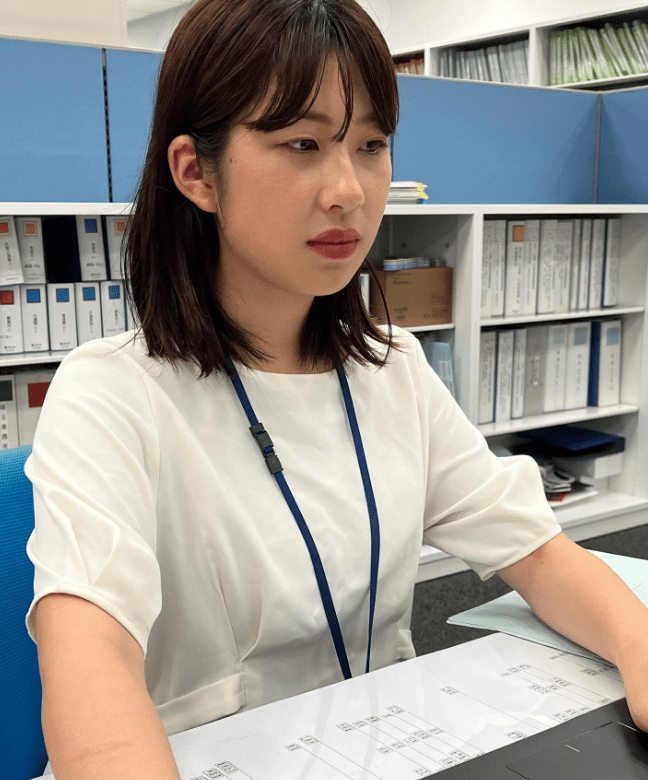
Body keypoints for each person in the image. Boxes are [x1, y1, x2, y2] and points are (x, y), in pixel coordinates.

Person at [25, 1, 648, 779]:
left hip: (381, 747)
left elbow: (540, 555)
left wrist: (638, 646)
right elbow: (92, 669)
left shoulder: (394, 369)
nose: (349, 189)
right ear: (196, 173)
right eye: (303, 144)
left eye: (371, 145)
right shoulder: (110, 394)